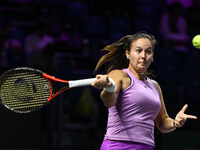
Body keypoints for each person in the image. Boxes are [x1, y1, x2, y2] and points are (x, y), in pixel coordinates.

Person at [91, 31, 197, 150]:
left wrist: (175, 123)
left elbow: (162, 123)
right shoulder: (119, 75)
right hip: (118, 145)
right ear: (128, 54)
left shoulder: (154, 86)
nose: (143, 56)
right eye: (138, 50)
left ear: (152, 57)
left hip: (146, 146)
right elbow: (108, 102)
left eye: (148, 51)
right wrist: (108, 88)